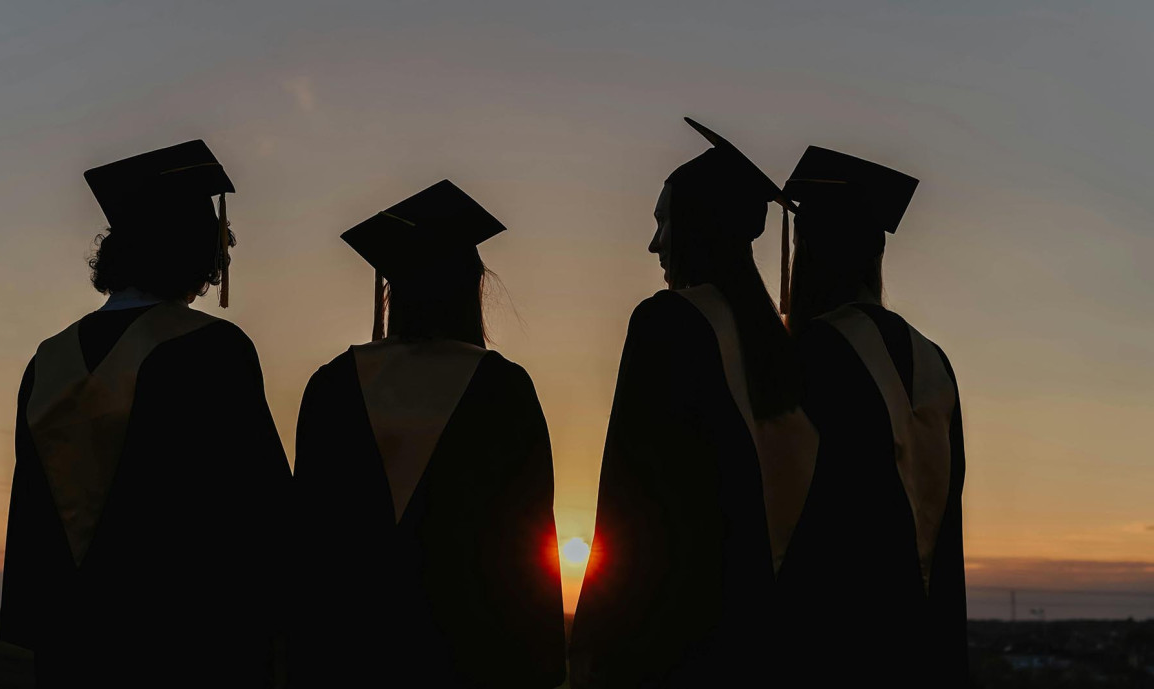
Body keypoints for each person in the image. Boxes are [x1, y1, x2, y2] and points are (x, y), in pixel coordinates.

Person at [0, 141, 291, 687]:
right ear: (199, 250)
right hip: (185, 641)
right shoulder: (214, 348)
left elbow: (33, 510)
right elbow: (257, 503)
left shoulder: (48, 358)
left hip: (72, 640)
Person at [570, 119, 817, 688]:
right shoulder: (787, 352)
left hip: (680, 642)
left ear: (697, 226)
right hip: (775, 642)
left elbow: (628, 501)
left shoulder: (668, 323)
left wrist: (594, 646)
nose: (655, 242)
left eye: (663, 220)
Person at [290, 180, 565, 688]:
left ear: (394, 289)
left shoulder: (332, 384)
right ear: (471, 287)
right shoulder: (504, 389)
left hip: (345, 654)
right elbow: (528, 549)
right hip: (469, 657)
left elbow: (305, 541)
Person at [777, 147, 968, 687]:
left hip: (829, 644)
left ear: (808, 249)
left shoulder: (812, 352)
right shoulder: (935, 359)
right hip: (923, 643)